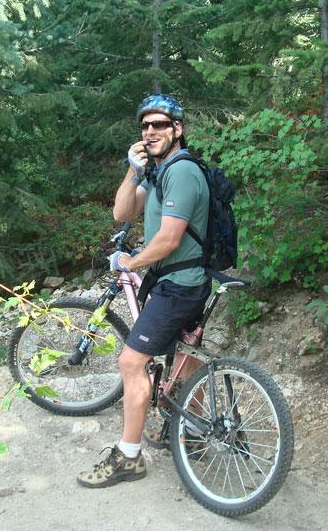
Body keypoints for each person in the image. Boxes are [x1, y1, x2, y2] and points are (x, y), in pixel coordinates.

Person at [76, 94, 211, 488]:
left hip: (178, 284)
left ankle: (128, 458)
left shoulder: (182, 172)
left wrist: (129, 262)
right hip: (183, 280)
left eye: (159, 126)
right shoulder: (158, 172)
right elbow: (122, 213)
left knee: (132, 364)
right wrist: (133, 172)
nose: (150, 132)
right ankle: (194, 431)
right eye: (145, 127)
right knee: (186, 353)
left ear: (177, 130)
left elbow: (168, 240)